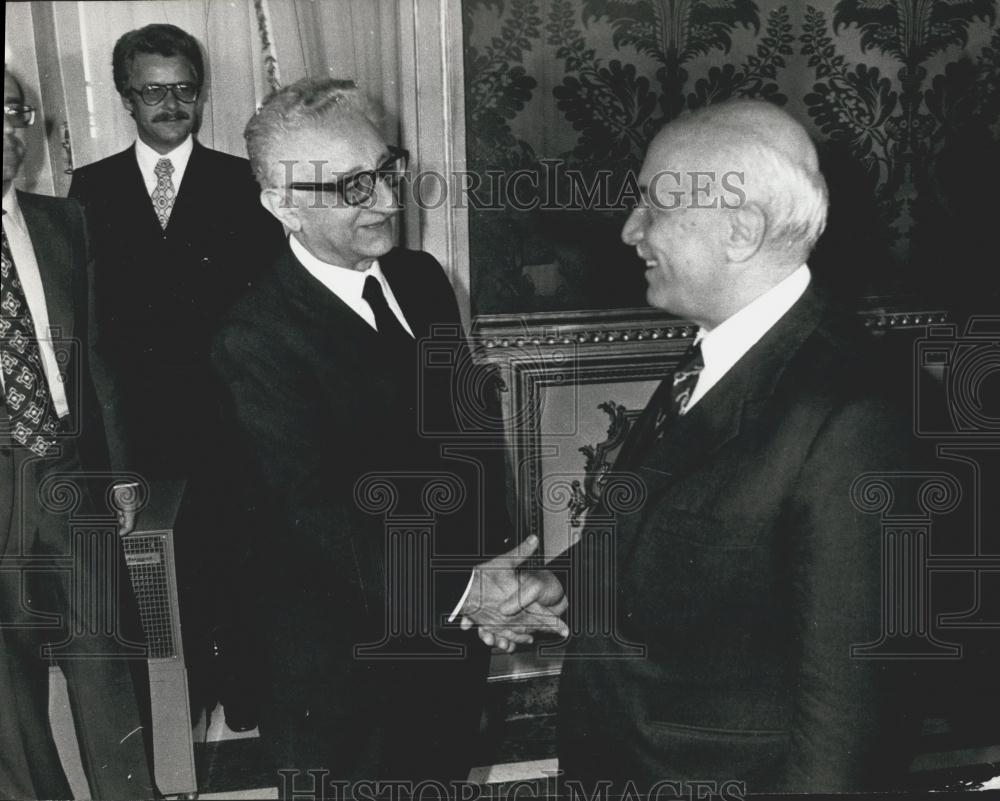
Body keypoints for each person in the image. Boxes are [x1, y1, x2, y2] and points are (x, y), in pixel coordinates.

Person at [480, 100, 926, 793]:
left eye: (653, 206)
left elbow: (846, 723)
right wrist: (563, 580)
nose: (631, 230)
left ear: (740, 231)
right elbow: (674, 538)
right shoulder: (715, 357)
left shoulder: (853, 412)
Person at [211, 77, 566, 793]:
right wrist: (468, 590)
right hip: (340, 672)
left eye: (386, 169)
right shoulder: (251, 337)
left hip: (445, 643)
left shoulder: (422, 278)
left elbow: (469, 440)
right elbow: (310, 517)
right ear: (281, 204)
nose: (383, 199)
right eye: (348, 186)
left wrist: (494, 573)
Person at [68, 23, 284, 730]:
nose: (169, 103)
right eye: (152, 89)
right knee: (159, 571)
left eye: (183, 89)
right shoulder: (88, 188)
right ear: (127, 96)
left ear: (201, 94)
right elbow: (88, 320)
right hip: (140, 423)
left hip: (231, 415)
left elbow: (269, 302)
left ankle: (248, 692)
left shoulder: (240, 180)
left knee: (239, 555)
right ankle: (177, 708)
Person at [1, 65, 155, 800]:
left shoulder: (63, 221)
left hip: (67, 470)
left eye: (12, 114)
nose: (4, 132)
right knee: (7, 692)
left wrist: (120, 466)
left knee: (105, 659)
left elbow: (96, 356)